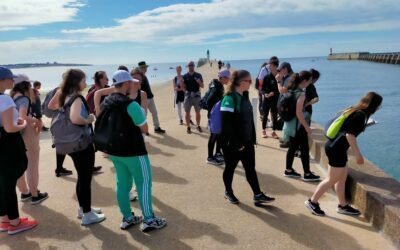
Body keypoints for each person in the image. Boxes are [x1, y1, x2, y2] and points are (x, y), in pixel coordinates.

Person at [99, 70, 167, 231]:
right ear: (126, 83)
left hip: (114, 151)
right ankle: (149, 219)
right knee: (144, 183)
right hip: (134, 151)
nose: (133, 84)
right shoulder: (131, 104)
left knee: (122, 184)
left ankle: (127, 217)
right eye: (131, 81)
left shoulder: (106, 102)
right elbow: (144, 128)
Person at [305, 92, 383, 216]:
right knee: (331, 179)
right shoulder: (361, 115)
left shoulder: (354, 110)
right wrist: (358, 154)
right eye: (379, 105)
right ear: (374, 105)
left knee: (341, 179)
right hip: (337, 149)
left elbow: (346, 129)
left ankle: (343, 205)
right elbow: (349, 135)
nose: (379, 108)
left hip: (334, 146)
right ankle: (312, 202)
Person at [49, 69, 105, 226]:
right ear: (76, 82)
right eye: (83, 80)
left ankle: (83, 209)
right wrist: (89, 119)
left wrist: (61, 89)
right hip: (81, 143)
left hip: (69, 142)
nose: (85, 83)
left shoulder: (64, 95)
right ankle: (87, 215)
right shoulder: (77, 98)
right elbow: (75, 118)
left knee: (82, 177)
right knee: (85, 178)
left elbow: (50, 105)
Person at [220, 70, 275, 205]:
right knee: (230, 168)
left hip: (247, 141)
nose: (251, 83)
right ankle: (228, 191)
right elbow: (226, 126)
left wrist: (251, 139)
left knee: (250, 168)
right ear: (240, 82)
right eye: (248, 81)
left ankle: (257, 194)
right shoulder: (229, 99)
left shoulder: (244, 96)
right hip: (233, 143)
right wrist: (237, 143)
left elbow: (248, 121)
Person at [0, 67, 38, 235]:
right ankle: (15, 222)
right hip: (7, 145)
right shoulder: (5, 100)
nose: (12, 81)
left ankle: (4, 220)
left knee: (2, 183)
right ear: (3, 80)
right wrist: (22, 123)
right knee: (8, 183)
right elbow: (10, 128)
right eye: (9, 78)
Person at [11, 74, 49, 205]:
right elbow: (22, 116)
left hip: (15, 133)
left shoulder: (11, 97)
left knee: (20, 165)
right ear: (25, 85)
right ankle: (35, 194)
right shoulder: (23, 99)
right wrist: (37, 120)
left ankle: (25, 192)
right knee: (32, 164)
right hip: (27, 132)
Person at [284, 71, 320, 182]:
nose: (310, 83)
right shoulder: (301, 94)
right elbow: (299, 113)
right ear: (304, 81)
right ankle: (307, 173)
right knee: (304, 149)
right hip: (299, 126)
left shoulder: (291, 90)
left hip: (291, 124)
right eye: (309, 80)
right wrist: (307, 127)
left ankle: (288, 170)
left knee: (292, 147)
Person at [206, 69, 230, 166]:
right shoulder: (216, 88)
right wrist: (212, 111)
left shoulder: (219, 86)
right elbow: (209, 101)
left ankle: (217, 153)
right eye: (227, 77)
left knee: (219, 134)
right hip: (214, 115)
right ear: (223, 77)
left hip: (217, 115)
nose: (228, 79)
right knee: (214, 135)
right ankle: (210, 157)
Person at [138, 61, 166, 134]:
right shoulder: (139, 78)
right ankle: (144, 130)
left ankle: (157, 128)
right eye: (144, 68)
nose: (145, 69)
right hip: (144, 99)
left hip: (150, 97)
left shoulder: (144, 76)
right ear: (140, 68)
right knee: (144, 115)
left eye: (145, 67)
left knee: (154, 113)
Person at [183, 61, 204, 134]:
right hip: (188, 96)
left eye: (192, 65)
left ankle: (198, 125)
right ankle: (188, 127)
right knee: (187, 113)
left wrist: (199, 82)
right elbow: (183, 87)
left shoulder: (198, 75)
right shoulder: (185, 76)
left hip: (197, 96)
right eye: (189, 65)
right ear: (188, 66)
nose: (190, 66)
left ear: (194, 66)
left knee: (198, 112)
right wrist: (183, 86)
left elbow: (202, 86)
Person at [260, 59, 280, 139]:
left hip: (275, 99)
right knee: (265, 115)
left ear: (275, 66)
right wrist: (265, 94)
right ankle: (263, 130)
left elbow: (281, 89)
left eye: (270, 65)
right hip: (267, 99)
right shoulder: (267, 77)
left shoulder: (279, 77)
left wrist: (274, 93)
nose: (269, 66)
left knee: (274, 116)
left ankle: (273, 132)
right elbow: (262, 89)